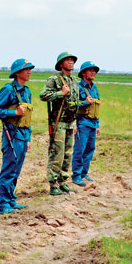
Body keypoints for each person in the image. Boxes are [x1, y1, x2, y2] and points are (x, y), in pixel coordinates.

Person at [0, 59, 35, 214]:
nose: (29, 71)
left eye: (30, 69)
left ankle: (11, 199)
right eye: (26, 69)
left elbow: (28, 117)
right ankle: (3, 203)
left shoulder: (27, 91)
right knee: (9, 168)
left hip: (23, 135)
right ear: (17, 73)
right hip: (12, 134)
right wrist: (14, 113)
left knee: (16, 169)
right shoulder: (8, 90)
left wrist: (29, 137)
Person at [40, 51, 80, 196]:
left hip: (70, 123)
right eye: (67, 60)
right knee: (57, 154)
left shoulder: (74, 81)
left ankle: (63, 181)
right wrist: (60, 94)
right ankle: (53, 184)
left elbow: (75, 101)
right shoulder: (55, 80)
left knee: (67, 155)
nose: (70, 62)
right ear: (61, 64)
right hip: (59, 123)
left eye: (72, 60)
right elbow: (43, 95)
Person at [72, 61, 102, 186]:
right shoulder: (78, 88)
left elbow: (97, 106)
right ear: (83, 73)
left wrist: (98, 125)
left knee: (90, 149)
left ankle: (84, 173)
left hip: (93, 123)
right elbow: (72, 105)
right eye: (90, 70)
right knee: (80, 149)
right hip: (82, 122)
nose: (93, 72)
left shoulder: (94, 88)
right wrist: (84, 102)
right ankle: (76, 175)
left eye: (94, 70)